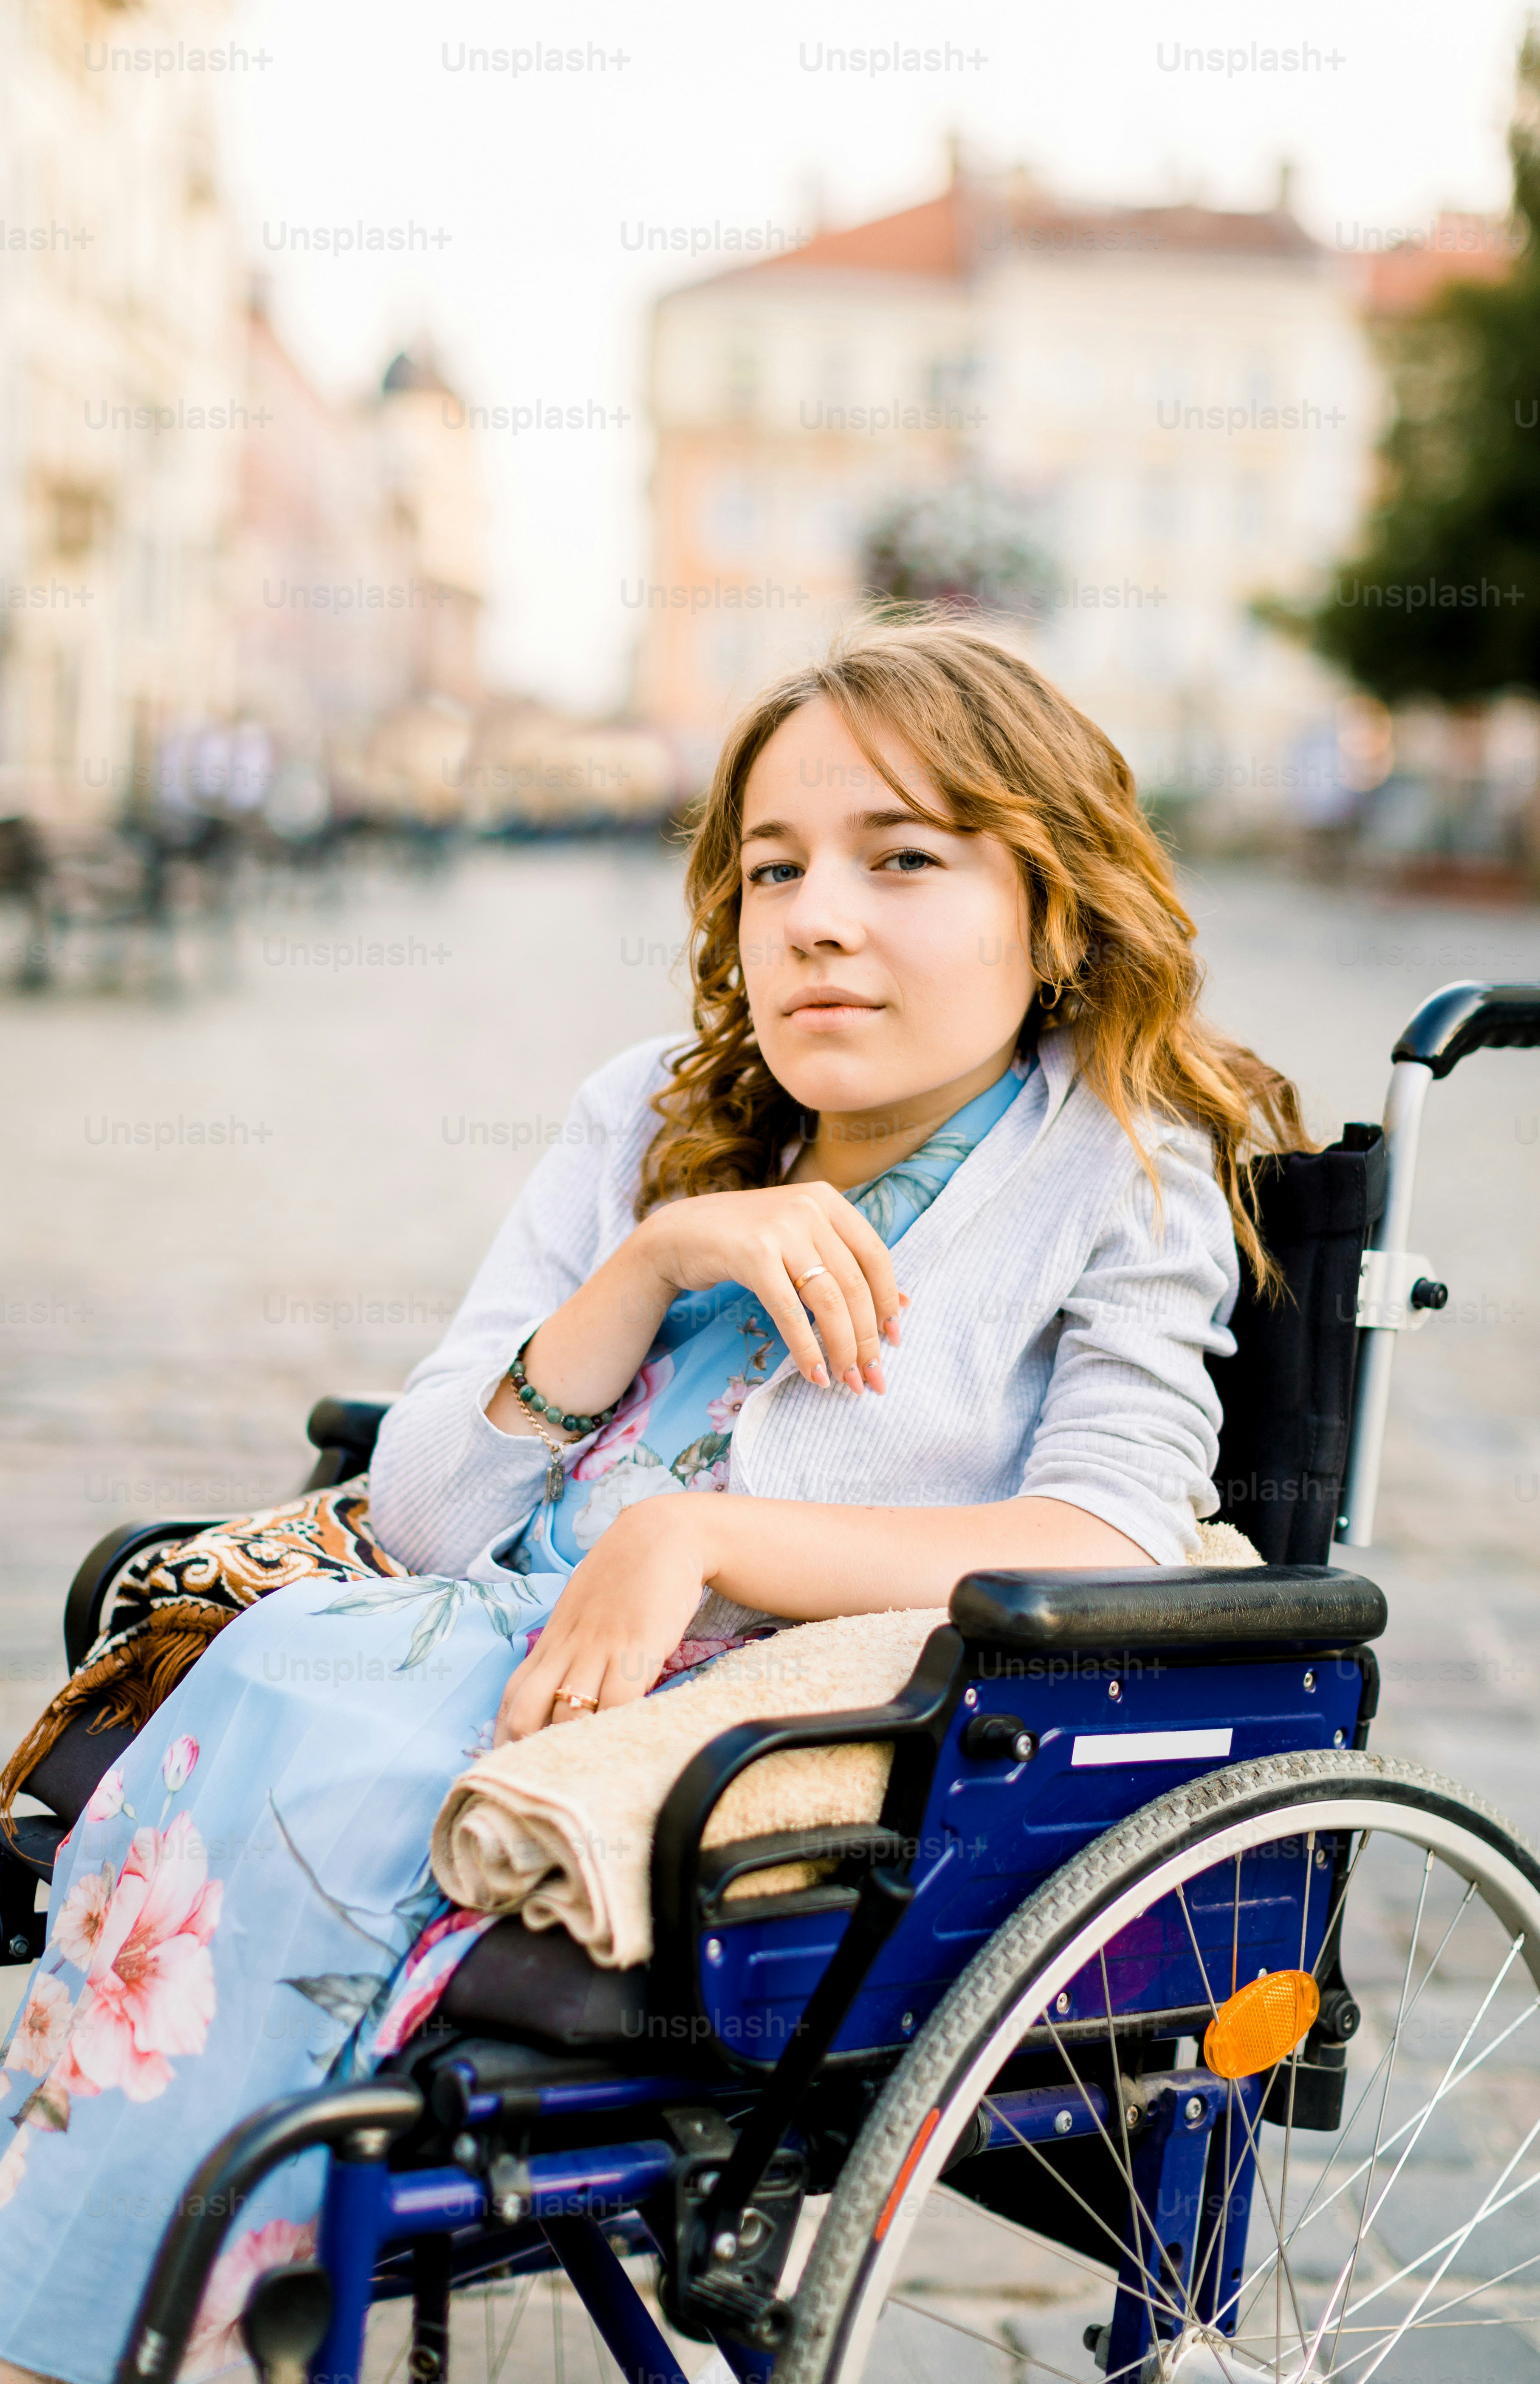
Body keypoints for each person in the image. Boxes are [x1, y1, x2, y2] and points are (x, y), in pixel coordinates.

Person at [0, 617, 1305, 2383]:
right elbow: (426, 1508)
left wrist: (695, 1531)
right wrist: (655, 1259)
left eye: (902, 859)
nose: (816, 918)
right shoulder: (647, 1113)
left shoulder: (1116, 1164)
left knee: (330, 1737)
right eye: (775, 868)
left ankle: (94, 2322)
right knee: (287, 1678)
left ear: (1053, 906)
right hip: (453, 1621)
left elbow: (1113, 1533)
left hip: (757, 1703)